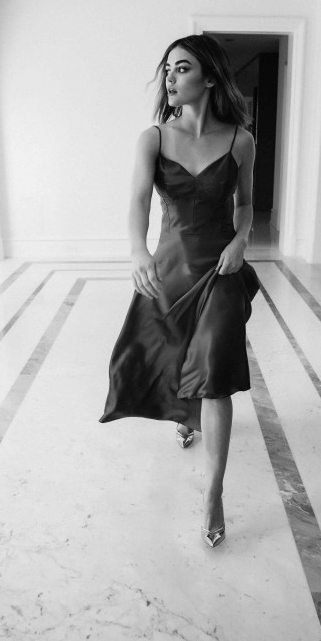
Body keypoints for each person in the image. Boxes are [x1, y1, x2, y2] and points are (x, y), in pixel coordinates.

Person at [100, 34, 259, 548]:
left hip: (221, 271)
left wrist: (240, 241)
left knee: (215, 373)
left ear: (209, 77)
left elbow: (245, 205)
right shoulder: (153, 138)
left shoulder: (240, 141)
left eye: (182, 68)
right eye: (167, 68)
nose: (169, 77)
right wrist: (137, 251)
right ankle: (185, 417)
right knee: (171, 356)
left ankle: (213, 492)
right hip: (169, 267)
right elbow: (137, 202)